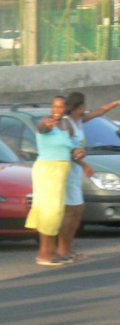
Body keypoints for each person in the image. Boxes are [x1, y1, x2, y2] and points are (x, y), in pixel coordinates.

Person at [57, 92, 120, 262]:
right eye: (83, 106)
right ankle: (63, 250)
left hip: (77, 171)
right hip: (70, 171)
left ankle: (69, 249)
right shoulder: (67, 124)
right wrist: (85, 165)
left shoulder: (80, 120)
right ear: (79, 107)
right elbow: (68, 151)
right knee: (71, 212)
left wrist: (116, 102)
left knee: (77, 212)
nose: (86, 109)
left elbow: (99, 112)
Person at [26, 96, 81, 266]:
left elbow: (70, 148)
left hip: (61, 172)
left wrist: (79, 153)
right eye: (54, 107)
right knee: (50, 212)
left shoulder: (66, 127)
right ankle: (45, 255)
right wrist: (46, 125)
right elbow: (42, 129)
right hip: (48, 171)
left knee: (56, 212)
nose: (57, 110)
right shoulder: (47, 123)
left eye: (61, 107)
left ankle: (49, 252)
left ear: (66, 109)